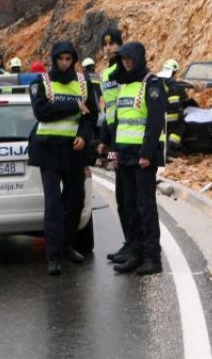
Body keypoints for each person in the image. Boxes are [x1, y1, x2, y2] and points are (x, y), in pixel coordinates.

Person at [28, 42, 98, 276]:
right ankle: (54, 256)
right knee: (53, 205)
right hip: (48, 150)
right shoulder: (42, 82)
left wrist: (84, 136)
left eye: (69, 59)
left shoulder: (83, 82)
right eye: (61, 59)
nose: (65, 63)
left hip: (73, 150)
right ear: (54, 59)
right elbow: (42, 112)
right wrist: (74, 106)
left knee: (75, 202)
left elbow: (91, 115)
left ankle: (66, 245)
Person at [111, 42, 167, 276]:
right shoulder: (125, 85)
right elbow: (120, 121)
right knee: (130, 206)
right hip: (124, 155)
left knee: (146, 207)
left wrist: (146, 154)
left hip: (142, 157)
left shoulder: (151, 84)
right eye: (123, 59)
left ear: (138, 59)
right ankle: (135, 252)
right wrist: (114, 150)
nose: (125, 63)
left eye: (129, 59)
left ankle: (152, 257)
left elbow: (154, 123)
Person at [97, 28, 130, 264]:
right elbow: (108, 109)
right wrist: (105, 142)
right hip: (113, 133)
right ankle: (128, 242)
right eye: (106, 45)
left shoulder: (124, 69)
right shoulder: (104, 74)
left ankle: (134, 244)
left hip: (126, 132)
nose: (109, 48)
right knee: (121, 196)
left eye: (113, 44)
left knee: (129, 196)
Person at [159, 59, 189, 156]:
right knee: (180, 126)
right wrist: (180, 110)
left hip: (157, 115)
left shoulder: (156, 79)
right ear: (173, 71)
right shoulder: (171, 83)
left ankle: (163, 150)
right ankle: (171, 149)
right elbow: (174, 100)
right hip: (169, 115)